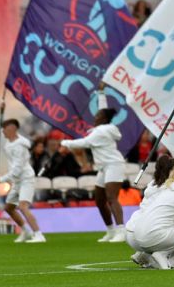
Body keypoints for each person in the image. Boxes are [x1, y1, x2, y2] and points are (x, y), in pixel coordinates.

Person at [61, 84, 126, 243]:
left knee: (112, 197)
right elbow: (103, 109)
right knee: (99, 200)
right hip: (104, 167)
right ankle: (111, 231)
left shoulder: (101, 131)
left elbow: (84, 143)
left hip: (114, 165)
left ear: (103, 119)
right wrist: (102, 93)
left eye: (97, 116)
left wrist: (65, 143)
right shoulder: (106, 126)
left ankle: (121, 231)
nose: (94, 117)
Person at [0, 118, 45, 243]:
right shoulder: (8, 144)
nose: (3, 132)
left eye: (5, 129)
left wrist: (2, 179)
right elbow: (13, 167)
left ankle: (38, 234)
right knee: (9, 208)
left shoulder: (20, 146)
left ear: (12, 129)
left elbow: (17, 168)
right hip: (17, 181)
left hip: (26, 179)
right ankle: (25, 231)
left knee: (23, 207)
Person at [129, 155, 174, 268]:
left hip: (132, 230)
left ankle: (143, 254)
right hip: (147, 232)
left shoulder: (151, 184)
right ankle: (164, 255)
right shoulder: (171, 188)